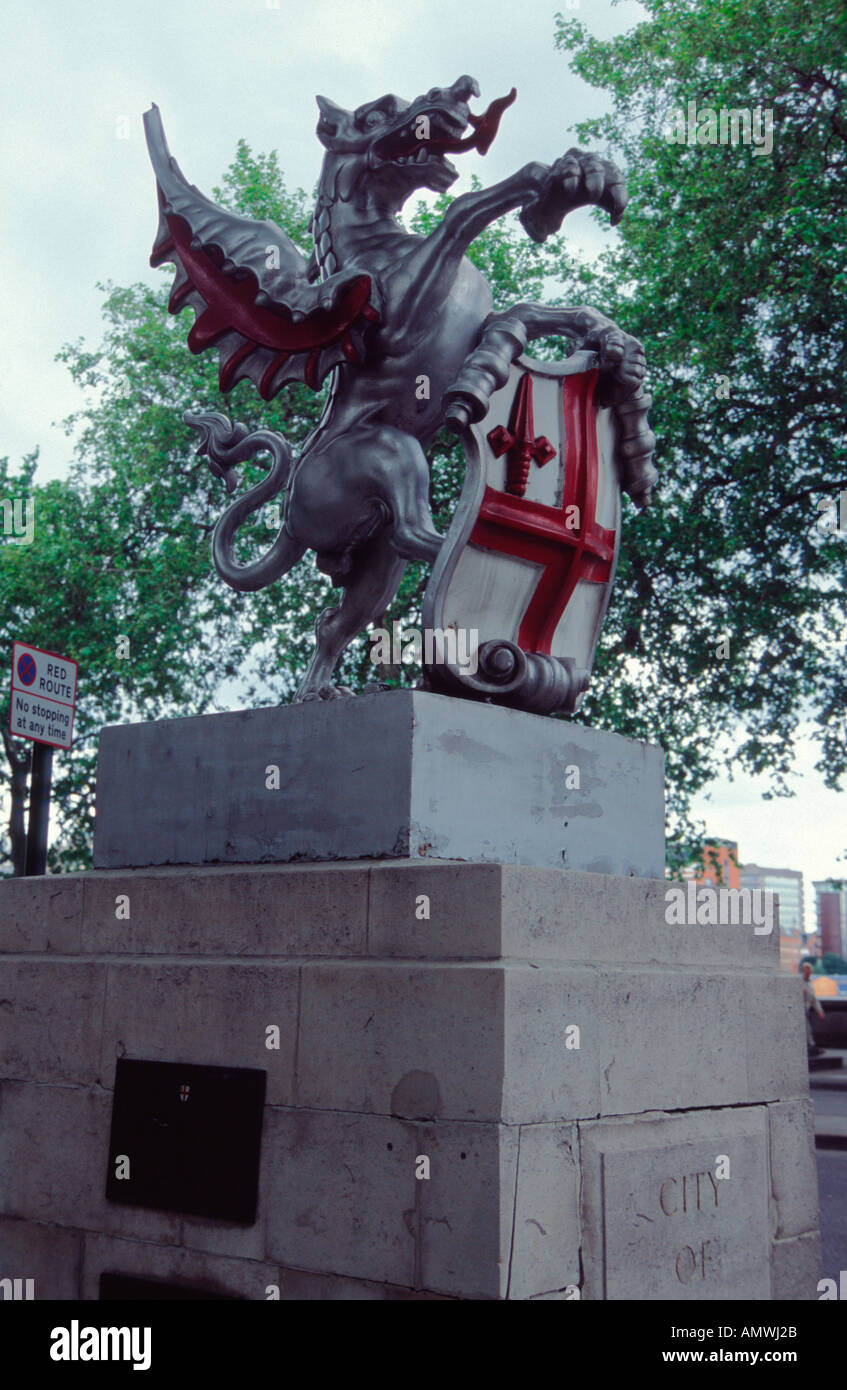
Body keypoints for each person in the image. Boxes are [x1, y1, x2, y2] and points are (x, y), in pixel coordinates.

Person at [800, 961, 825, 1057]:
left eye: (809, 971)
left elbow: (814, 999)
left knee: (808, 1028)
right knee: (807, 1028)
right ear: (803, 971)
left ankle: (811, 1047)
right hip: (799, 1009)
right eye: (806, 971)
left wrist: (820, 1011)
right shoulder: (798, 982)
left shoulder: (810, 983)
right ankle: (811, 1046)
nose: (808, 973)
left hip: (806, 1009)